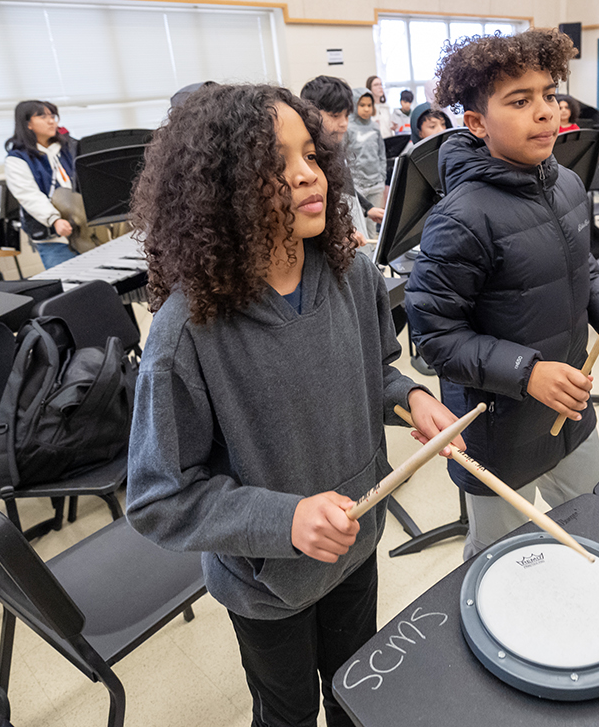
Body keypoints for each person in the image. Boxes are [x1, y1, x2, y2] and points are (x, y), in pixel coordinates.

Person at [126, 83, 461, 727]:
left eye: (310, 153)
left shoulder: (352, 274)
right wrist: (285, 521)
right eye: (275, 165)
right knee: (288, 717)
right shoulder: (185, 333)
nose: (308, 175)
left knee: (357, 695)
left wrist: (411, 397)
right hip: (267, 584)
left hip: (356, 545)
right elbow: (159, 497)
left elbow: (373, 372)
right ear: (221, 192)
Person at [406, 29, 599, 558]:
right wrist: (528, 372)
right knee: (498, 564)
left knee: (598, 528)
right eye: (520, 102)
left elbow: (581, 265)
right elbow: (434, 339)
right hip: (498, 433)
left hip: (570, 413)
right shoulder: (460, 218)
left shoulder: (564, 182)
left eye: (547, 94)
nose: (544, 111)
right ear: (476, 123)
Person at [300, 76, 383, 244]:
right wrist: (337, 232)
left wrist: (368, 208)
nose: (344, 124)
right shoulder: (306, 161)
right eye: (335, 115)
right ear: (310, 115)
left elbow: (346, 188)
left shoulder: (335, 148)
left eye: (346, 115)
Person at [3, 100, 80, 269]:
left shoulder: (70, 146)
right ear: (27, 123)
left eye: (53, 116)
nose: (51, 121)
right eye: (43, 116)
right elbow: (29, 195)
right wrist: (54, 220)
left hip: (85, 231)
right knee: (73, 288)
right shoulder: (17, 159)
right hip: (53, 238)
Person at [347, 86, 387, 213]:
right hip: (357, 186)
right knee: (359, 224)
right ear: (354, 105)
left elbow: (381, 153)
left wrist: (382, 176)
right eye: (362, 105)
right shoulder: (348, 128)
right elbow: (344, 157)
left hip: (376, 184)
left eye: (369, 105)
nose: (366, 109)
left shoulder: (375, 127)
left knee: (373, 224)